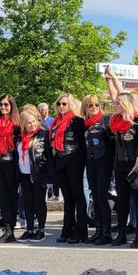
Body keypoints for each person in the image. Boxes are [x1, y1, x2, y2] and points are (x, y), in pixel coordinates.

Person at [107, 82, 138, 248]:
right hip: (119, 165)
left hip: (134, 165)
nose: (115, 105)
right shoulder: (114, 121)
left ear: (125, 104)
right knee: (122, 201)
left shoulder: (137, 121)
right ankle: (121, 234)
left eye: (118, 103)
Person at [50, 93, 88, 243]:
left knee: (78, 196)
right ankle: (67, 230)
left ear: (70, 105)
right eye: (59, 104)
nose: (61, 106)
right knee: (67, 198)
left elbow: (82, 144)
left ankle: (81, 232)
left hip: (74, 161)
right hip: (60, 161)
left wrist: (82, 162)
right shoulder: (55, 122)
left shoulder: (77, 121)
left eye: (64, 104)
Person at [0, 94, 22, 243]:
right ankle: (7, 229)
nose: (3, 107)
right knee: (2, 198)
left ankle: (11, 230)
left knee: (12, 197)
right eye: (1, 104)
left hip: (11, 165)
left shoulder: (17, 126)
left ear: (11, 106)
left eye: (6, 105)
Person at [82, 94, 113, 245]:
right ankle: (99, 230)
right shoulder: (85, 124)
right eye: (90, 105)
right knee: (95, 196)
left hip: (103, 162)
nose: (94, 107)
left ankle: (106, 232)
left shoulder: (105, 120)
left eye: (96, 105)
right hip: (91, 163)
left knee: (102, 196)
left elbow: (112, 143)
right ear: (85, 108)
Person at [19, 107, 52, 242]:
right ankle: (30, 229)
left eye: (33, 121)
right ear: (23, 125)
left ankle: (41, 230)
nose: (32, 124)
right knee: (28, 203)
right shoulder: (20, 137)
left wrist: (49, 177)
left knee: (39, 202)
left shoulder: (43, 134)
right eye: (28, 123)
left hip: (39, 173)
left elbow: (49, 156)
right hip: (24, 174)